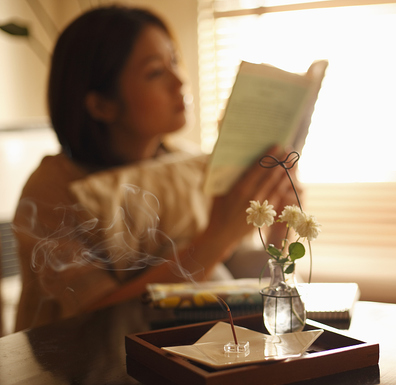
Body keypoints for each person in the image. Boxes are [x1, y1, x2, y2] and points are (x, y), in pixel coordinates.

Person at [12, 5, 294, 331]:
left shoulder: (190, 165)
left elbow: (238, 277)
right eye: (155, 72)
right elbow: (94, 322)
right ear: (102, 104)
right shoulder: (52, 191)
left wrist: (278, 228)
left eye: (174, 61)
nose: (179, 80)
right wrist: (216, 237)